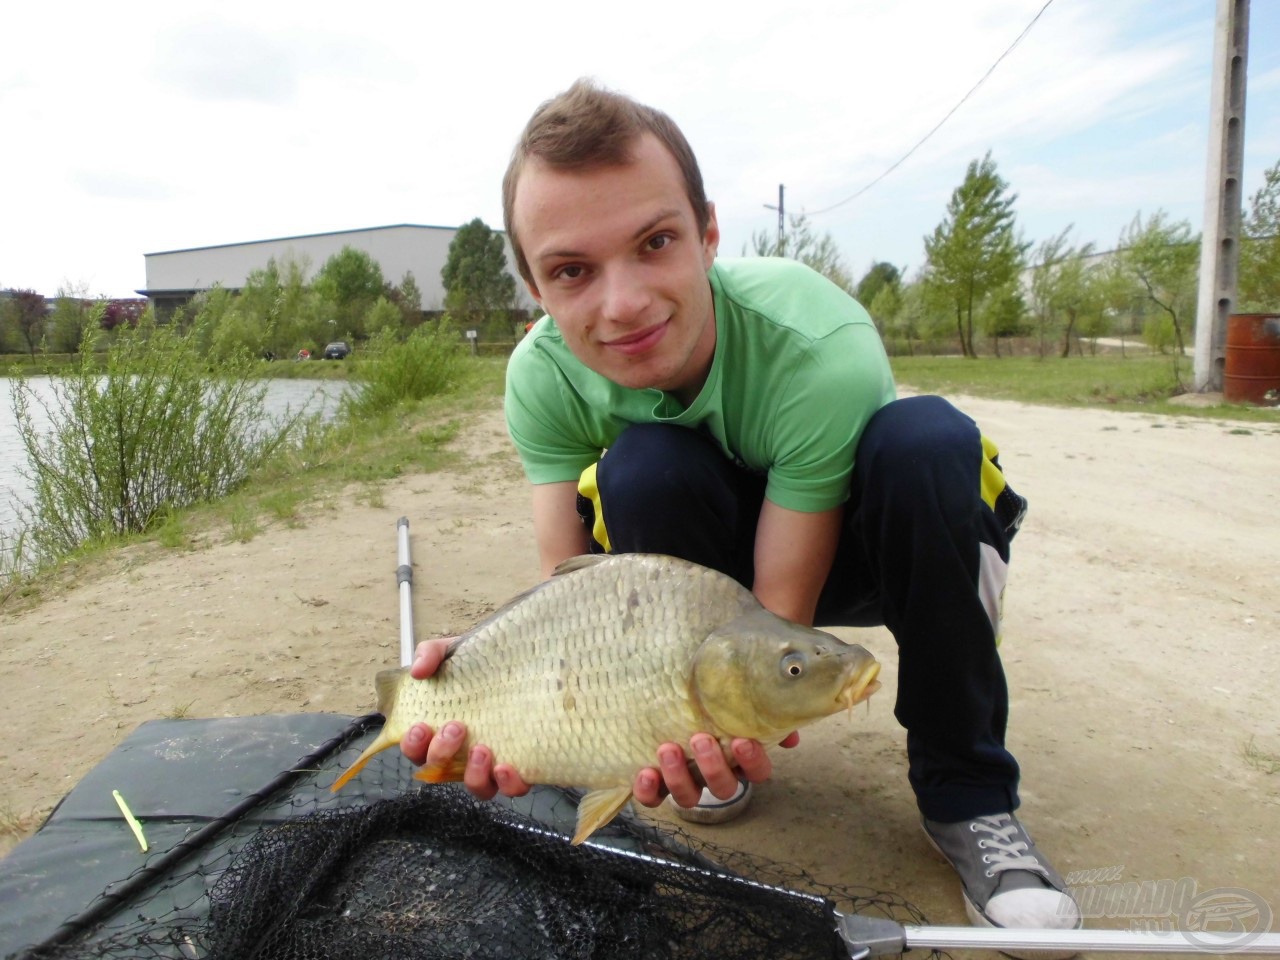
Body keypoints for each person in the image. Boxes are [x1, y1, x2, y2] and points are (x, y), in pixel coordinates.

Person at [400, 79, 1081, 940]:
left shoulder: (818, 344)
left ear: (709, 233)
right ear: (535, 286)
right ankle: (710, 762)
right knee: (644, 464)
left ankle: (971, 795)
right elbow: (570, 594)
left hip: (851, 557)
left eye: (655, 243)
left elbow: (776, 622)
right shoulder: (542, 375)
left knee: (928, 444)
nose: (624, 304)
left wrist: (743, 714)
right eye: (572, 270)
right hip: (692, 595)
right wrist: (490, 675)